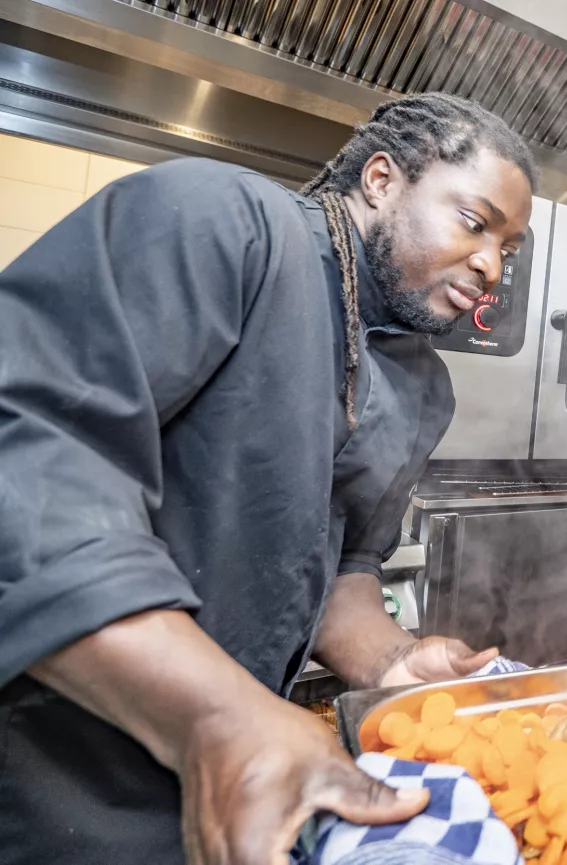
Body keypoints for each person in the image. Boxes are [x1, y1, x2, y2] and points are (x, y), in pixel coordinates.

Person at [0, 93, 535, 863]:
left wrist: (393, 661)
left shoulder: (422, 388)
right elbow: (32, 460)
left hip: (236, 791)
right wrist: (219, 716)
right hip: (56, 774)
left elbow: (341, 567)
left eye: (507, 250)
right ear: (381, 179)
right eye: (475, 222)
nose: (490, 265)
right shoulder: (223, 224)